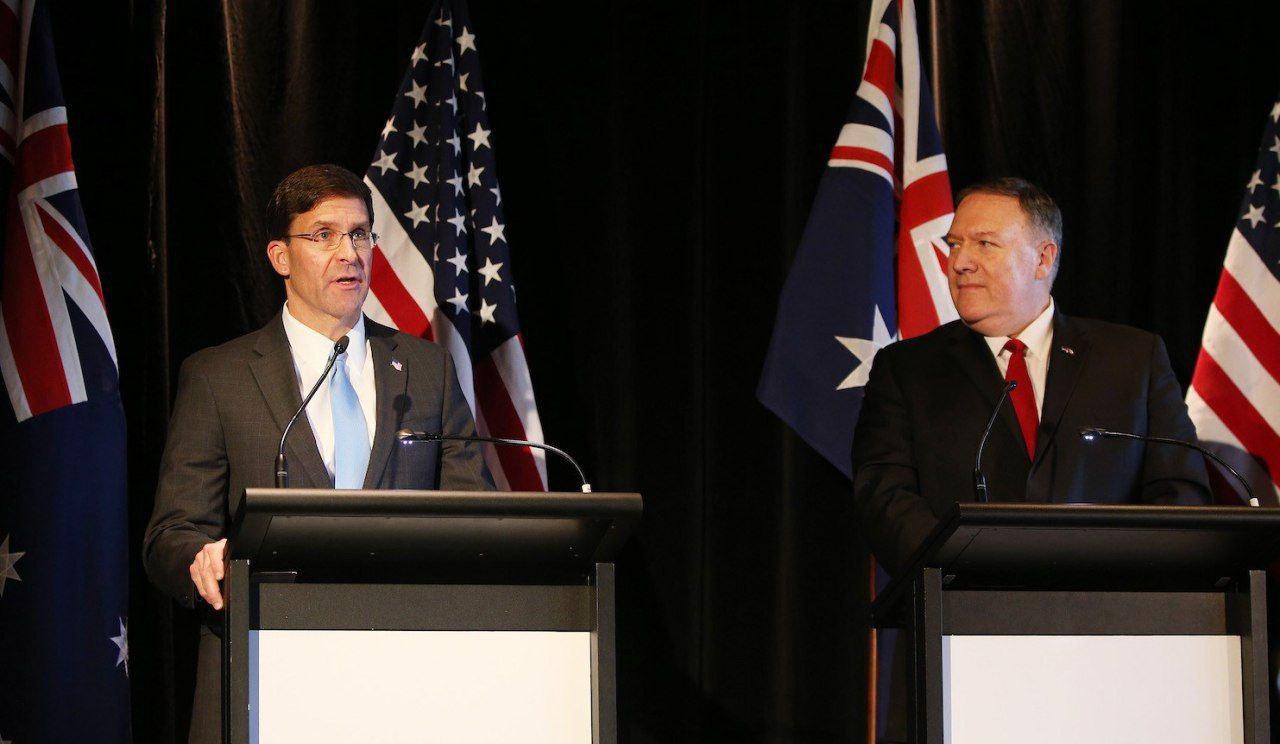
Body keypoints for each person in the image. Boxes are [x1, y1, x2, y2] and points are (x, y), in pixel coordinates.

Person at [851, 177, 1211, 741]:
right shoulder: (907, 370)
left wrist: (1106, 579)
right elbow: (885, 498)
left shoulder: (1131, 359)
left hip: (1114, 655)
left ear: (1043, 258)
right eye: (954, 244)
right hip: (960, 649)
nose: (959, 262)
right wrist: (974, 575)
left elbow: (1181, 492)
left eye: (985, 244)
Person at [144, 164, 493, 744]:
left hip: (403, 676)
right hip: (265, 671)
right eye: (324, 235)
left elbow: (473, 513)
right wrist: (201, 558)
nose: (348, 253)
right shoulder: (219, 377)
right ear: (280, 256)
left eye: (359, 235)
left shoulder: (427, 369)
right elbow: (171, 533)